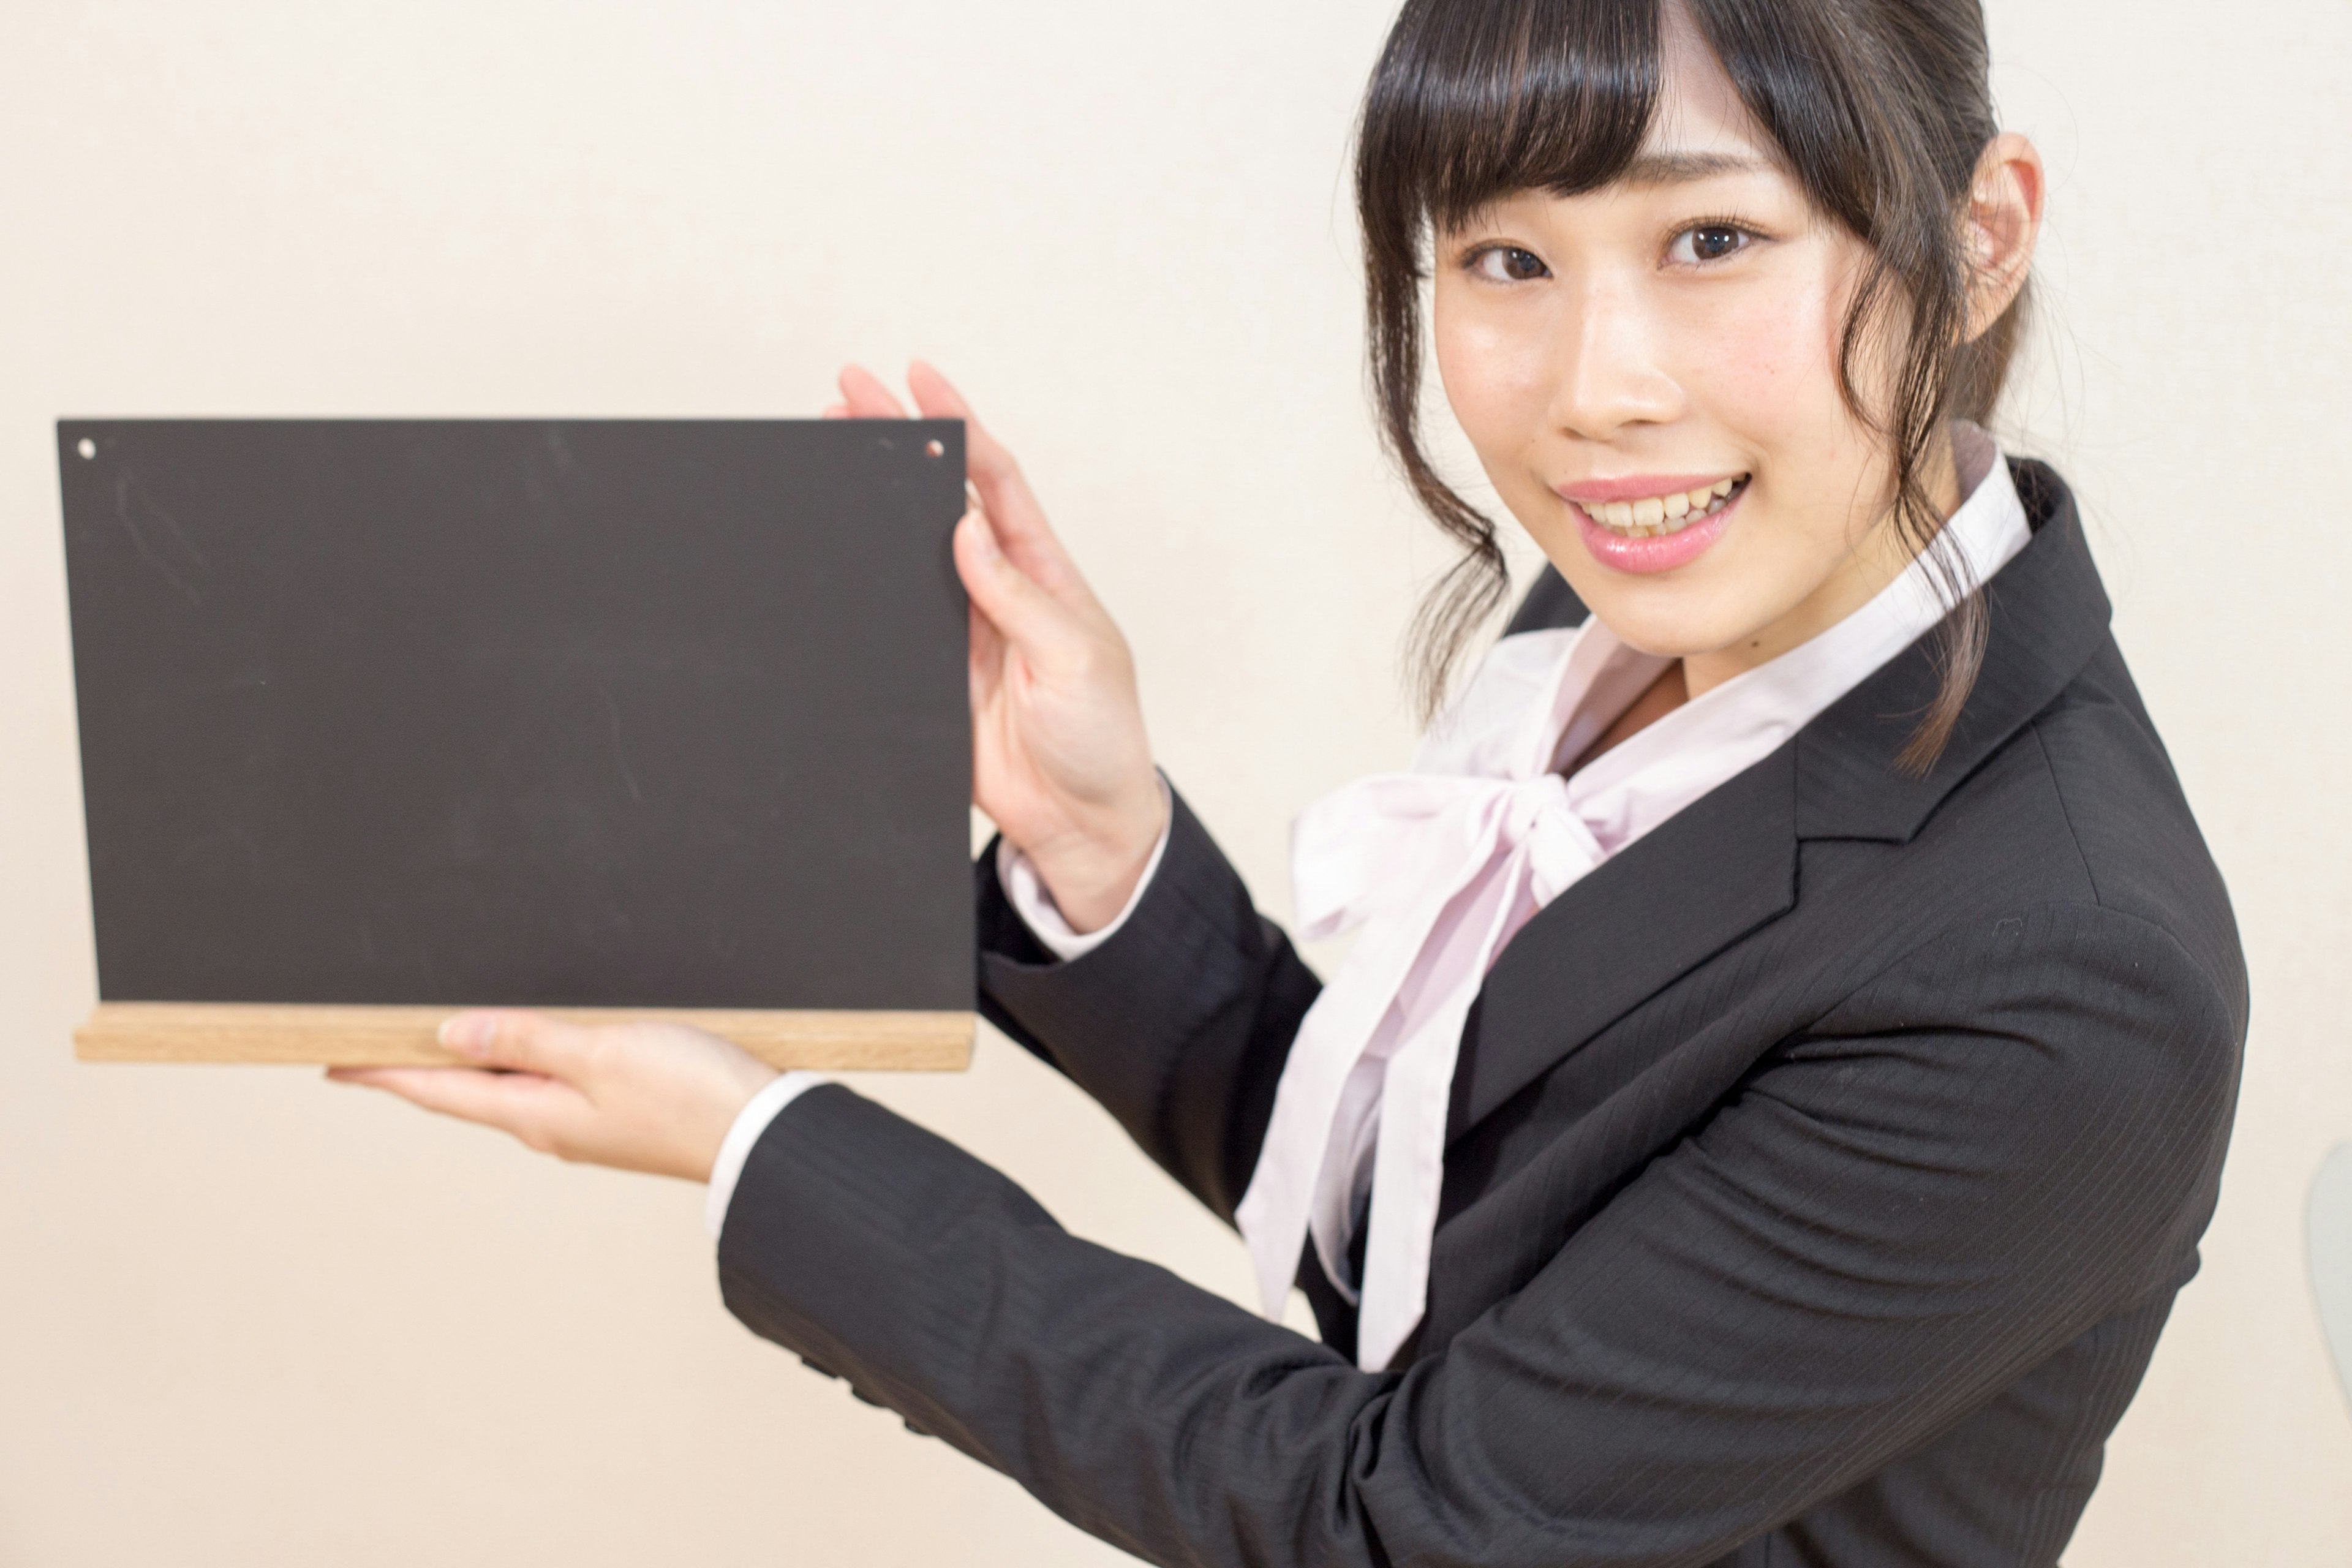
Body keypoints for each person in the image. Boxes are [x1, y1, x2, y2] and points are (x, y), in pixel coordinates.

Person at [332, 1, 2248, 1562]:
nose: (1597, 390)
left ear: (1980, 232)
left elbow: (1410, 1518)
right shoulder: (1627, 605)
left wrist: (755, 1146)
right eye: (1506, 257)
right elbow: (1428, 1235)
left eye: (1712, 240)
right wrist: (1104, 839)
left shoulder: (2063, 973)